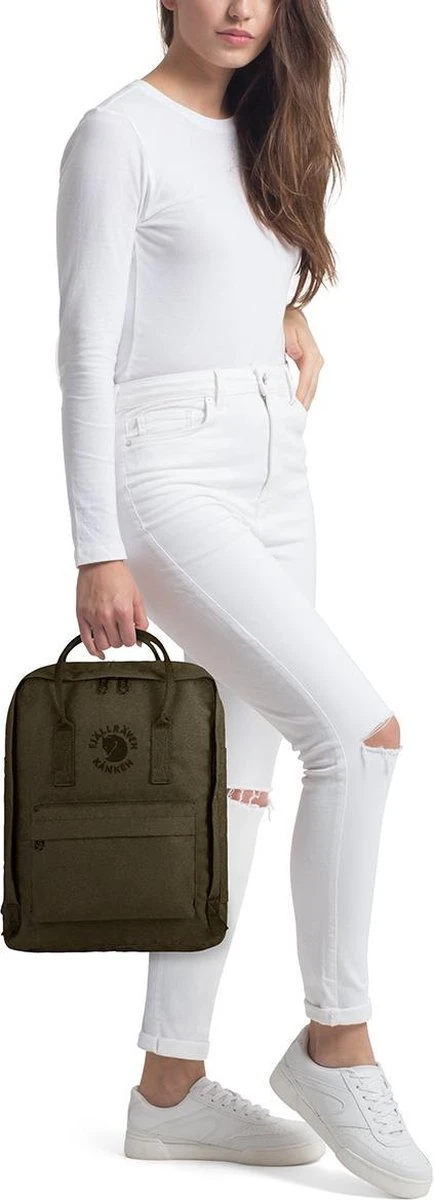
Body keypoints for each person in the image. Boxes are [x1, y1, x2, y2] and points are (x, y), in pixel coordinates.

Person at [55, 1, 432, 1192]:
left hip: (275, 465)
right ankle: (336, 1042)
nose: (235, 8)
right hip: (166, 473)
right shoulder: (116, 133)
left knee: (237, 786)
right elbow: (85, 349)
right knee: (359, 737)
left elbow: (209, 270)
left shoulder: (265, 126)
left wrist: (283, 310)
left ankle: (167, 1090)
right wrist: (97, 547)